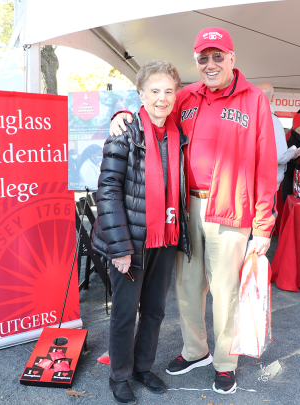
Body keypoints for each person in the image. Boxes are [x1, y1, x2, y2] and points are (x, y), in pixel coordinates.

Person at [110, 27, 277, 394]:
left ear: (232, 58)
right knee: (186, 286)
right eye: (204, 57)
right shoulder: (186, 95)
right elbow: (154, 112)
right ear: (196, 61)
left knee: (225, 289)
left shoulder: (254, 100)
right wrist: (122, 114)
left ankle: (225, 361)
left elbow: (266, 165)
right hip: (184, 207)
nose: (211, 63)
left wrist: (263, 226)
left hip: (230, 210)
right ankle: (194, 349)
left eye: (218, 56)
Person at [91, 60, 191, 405]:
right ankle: (119, 374)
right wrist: (119, 249)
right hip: (130, 240)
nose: (162, 99)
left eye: (168, 91)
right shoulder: (125, 132)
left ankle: (141, 367)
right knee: (124, 312)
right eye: (154, 91)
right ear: (140, 94)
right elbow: (107, 191)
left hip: (165, 236)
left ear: (176, 95)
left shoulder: (178, 135)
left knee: (154, 310)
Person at [258, 82, 300, 189]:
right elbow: (280, 156)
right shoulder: (273, 121)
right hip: (266, 185)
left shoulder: (246, 119)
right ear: (272, 98)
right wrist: (292, 153)